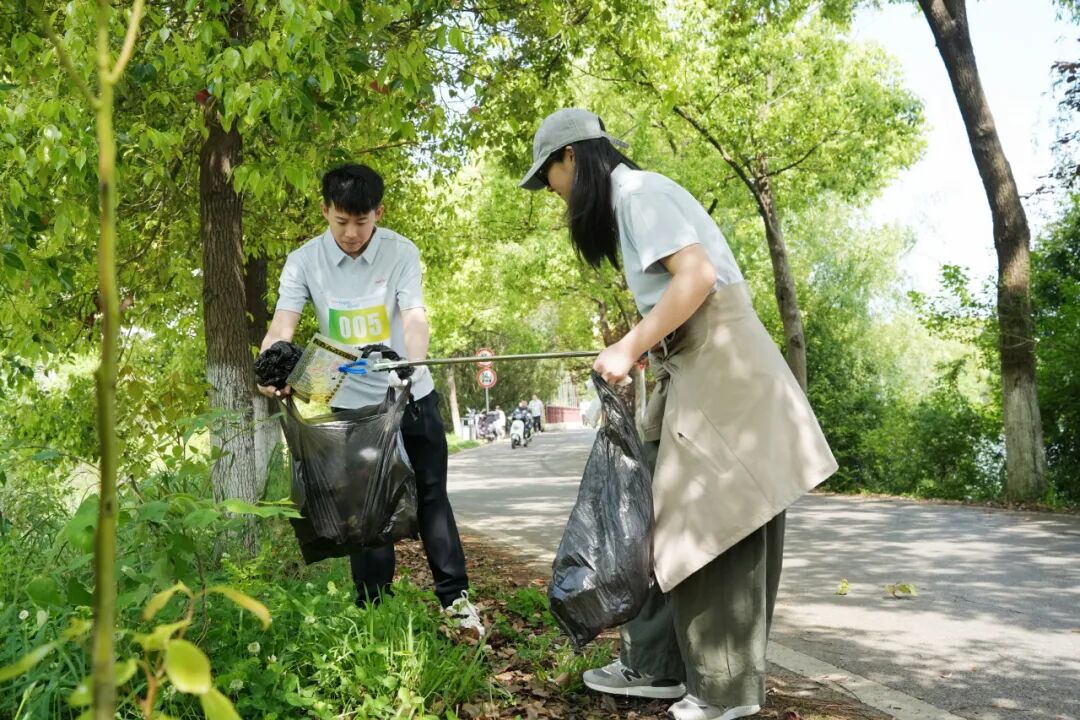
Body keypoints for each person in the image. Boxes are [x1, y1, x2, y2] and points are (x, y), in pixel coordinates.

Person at [519, 109, 837, 720]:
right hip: (685, 366)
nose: (553, 195)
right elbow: (672, 296)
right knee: (654, 516)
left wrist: (629, 345)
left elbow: (697, 277)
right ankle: (657, 666)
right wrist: (643, 347)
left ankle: (724, 694)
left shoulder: (639, 193)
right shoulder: (628, 203)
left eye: (550, 177)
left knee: (718, 525)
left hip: (722, 367)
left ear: (573, 159)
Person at [257, 163, 483, 635]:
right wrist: (268, 366)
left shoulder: (401, 252)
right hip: (352, 409)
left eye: (362, 222)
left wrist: (411, 364)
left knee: (431, 497)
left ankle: (456, 602)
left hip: (408, 392)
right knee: (366, 507)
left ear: (379, 213)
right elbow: (283, 324)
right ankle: (373, 612)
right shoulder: (303, 261)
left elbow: (414, 315)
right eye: (341, 222)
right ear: (325, 211)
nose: (352, 233)